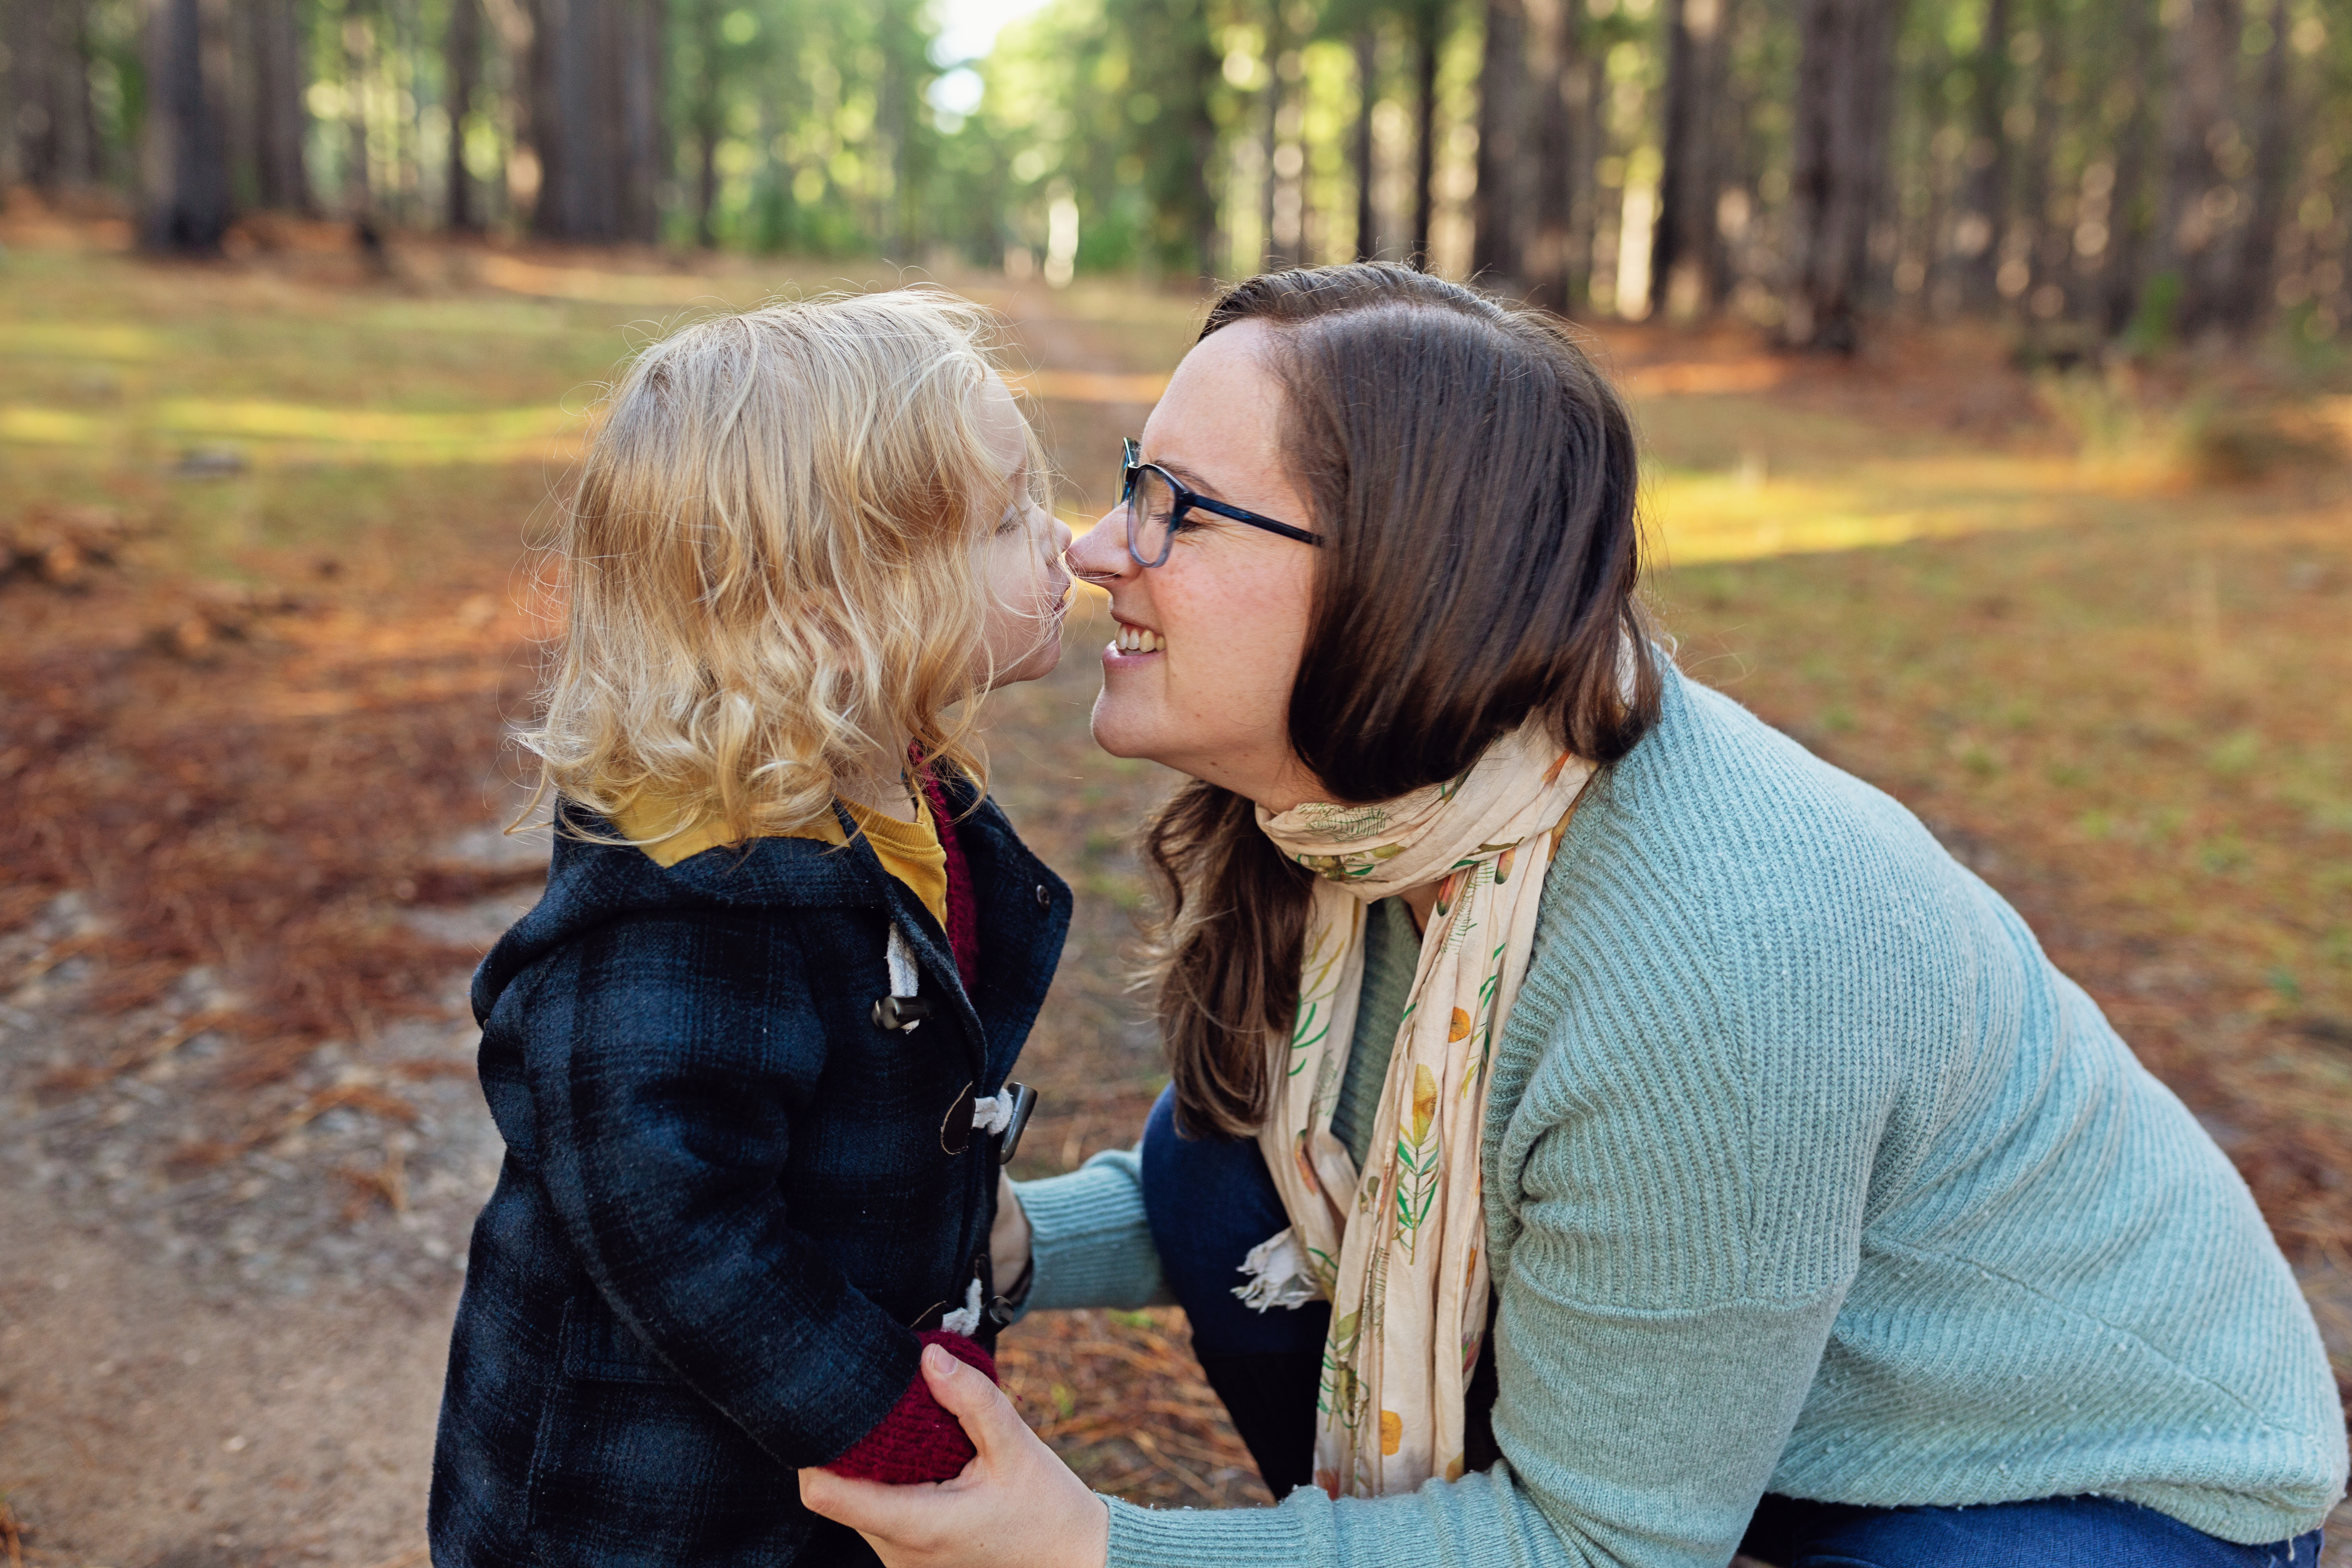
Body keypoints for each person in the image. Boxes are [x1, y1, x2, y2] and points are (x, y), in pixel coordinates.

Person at [797, 263, 2345, 1568]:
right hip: (1750, 1413)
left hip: (2050, 1477)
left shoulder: (1708, 968)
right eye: (1133, 477)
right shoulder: (1363, 809)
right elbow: (1265, 1190)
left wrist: (1098, 1546)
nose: (1092, 550)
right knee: (1217, 1173)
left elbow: (1607, 1549)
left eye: (1178, 510)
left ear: (1402, 582)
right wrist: (990, 1238)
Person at [430, 289, 1076, 1566]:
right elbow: (671, 1221)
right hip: (638, 1510)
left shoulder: (899, 791)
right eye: (1005, 523)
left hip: (789, 1475)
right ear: (833, 609)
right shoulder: (693, 897)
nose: (1062, 543)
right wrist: (883, 1413)